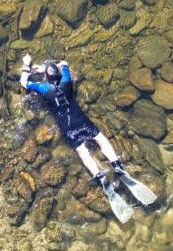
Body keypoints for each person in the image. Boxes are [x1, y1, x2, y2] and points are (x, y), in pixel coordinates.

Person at [19, 54, 157, 223]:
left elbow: (23, 82)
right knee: (101, 139)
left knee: (82, 151)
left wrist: (27, 66)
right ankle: (118, 166)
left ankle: (100, 177)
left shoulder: (44, 88)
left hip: (67, 126)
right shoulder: (66, 81)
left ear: (46, 77)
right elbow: (64, 63)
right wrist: (48, 66)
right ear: (58, 75)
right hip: (81, 120)